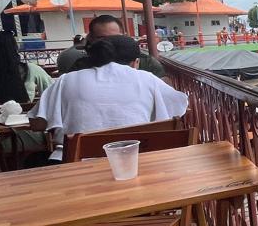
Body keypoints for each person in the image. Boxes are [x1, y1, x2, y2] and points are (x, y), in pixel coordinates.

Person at [31, 35, 188, 161]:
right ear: (136, 62)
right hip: (135, 163)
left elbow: (38, 124)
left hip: (75, 166)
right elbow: (177, 111)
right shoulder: (147, 79)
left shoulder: (66, 80)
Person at [57, 15, 165, 78]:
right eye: (102, 39)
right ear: (90, 39)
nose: (111, 42)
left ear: (124, 36)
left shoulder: (146, 63)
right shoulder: (82, 66)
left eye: (115, 37)